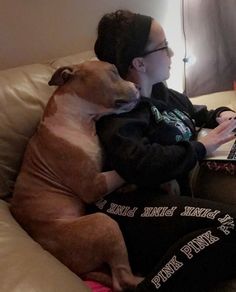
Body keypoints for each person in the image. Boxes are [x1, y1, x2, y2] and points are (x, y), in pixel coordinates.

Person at [88, 10, 236, 291]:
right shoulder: (118, 109)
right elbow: (139, 164)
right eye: (163, 46)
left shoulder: (161, 92)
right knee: (231, 225)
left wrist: (223, 115)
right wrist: (200, 148)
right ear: (139, 63)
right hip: (128, 207)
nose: (171, 52)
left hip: (168, 203)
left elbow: (196, 114)